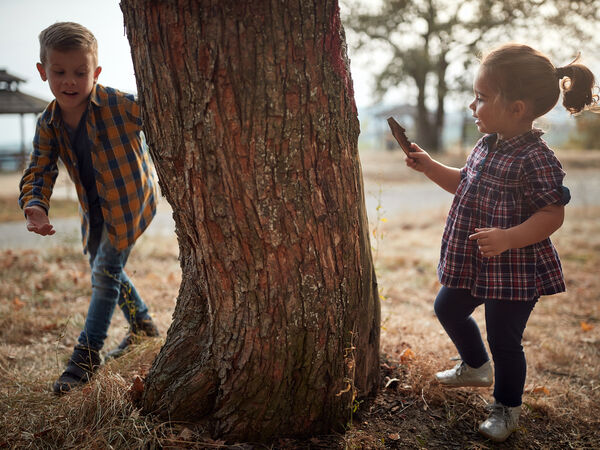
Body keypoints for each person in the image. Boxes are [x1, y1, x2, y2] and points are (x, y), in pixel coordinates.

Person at [404, 43, 597, 442]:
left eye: (481, 98)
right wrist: (428, 166)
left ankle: (506, 407)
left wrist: (509, 238)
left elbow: (551, 213)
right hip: (475, 260)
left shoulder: (537, 158)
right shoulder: (486, 144)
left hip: (514, 269)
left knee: (504, 339)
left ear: (517, 109)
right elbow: (464, 184)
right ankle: (475, 366)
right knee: (447, 307)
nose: (473, 106)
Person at [18, 22, 160, 395]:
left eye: (81, 73)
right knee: (106, 269)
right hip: (93, 211)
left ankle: (84, 358)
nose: (70, 81)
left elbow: (162, 116)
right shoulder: (48, 123)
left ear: (95, 72)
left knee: (105, 272)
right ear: (42, 71)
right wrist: (35, 204)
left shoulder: (119, 104)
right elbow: (40, 168)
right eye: (59, 72)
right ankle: (143, 326)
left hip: (129, 204)